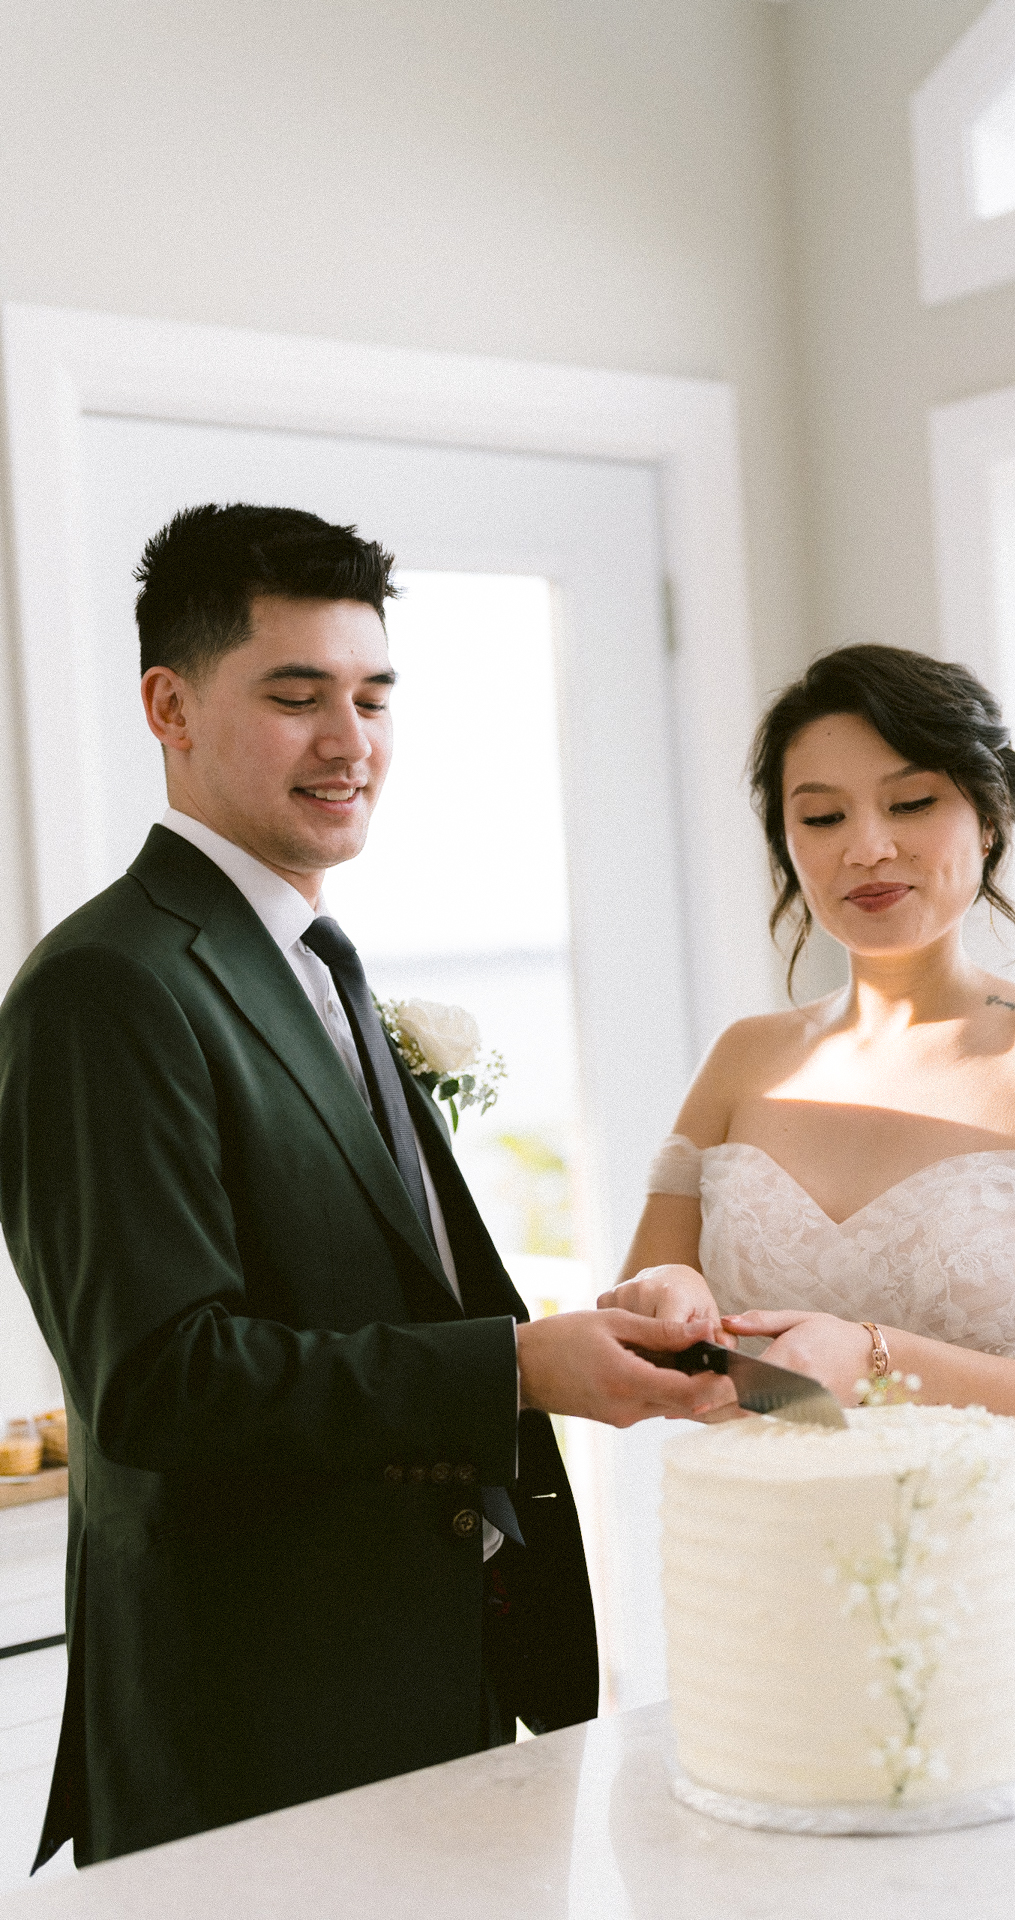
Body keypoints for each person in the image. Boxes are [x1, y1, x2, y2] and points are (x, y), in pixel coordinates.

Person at [0, 503, 733, 1870]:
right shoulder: (109, 986)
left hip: (437, 1680)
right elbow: (160, 1383)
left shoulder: (315, 958)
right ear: (168, 704)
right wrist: (512, 1368)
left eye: (374, 697)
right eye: (297, 698)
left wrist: (560, 1341)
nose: (353, 744)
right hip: (260, 1732)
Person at [603, 642, 1015, 1666]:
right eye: (821, 815)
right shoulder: (741, 1060)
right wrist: (664, 1296)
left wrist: (874, 1361)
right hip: (786, 1610)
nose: (866, 848)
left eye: (910, 802)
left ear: (987, 816)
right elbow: (661, 1343)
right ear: (784, 842)